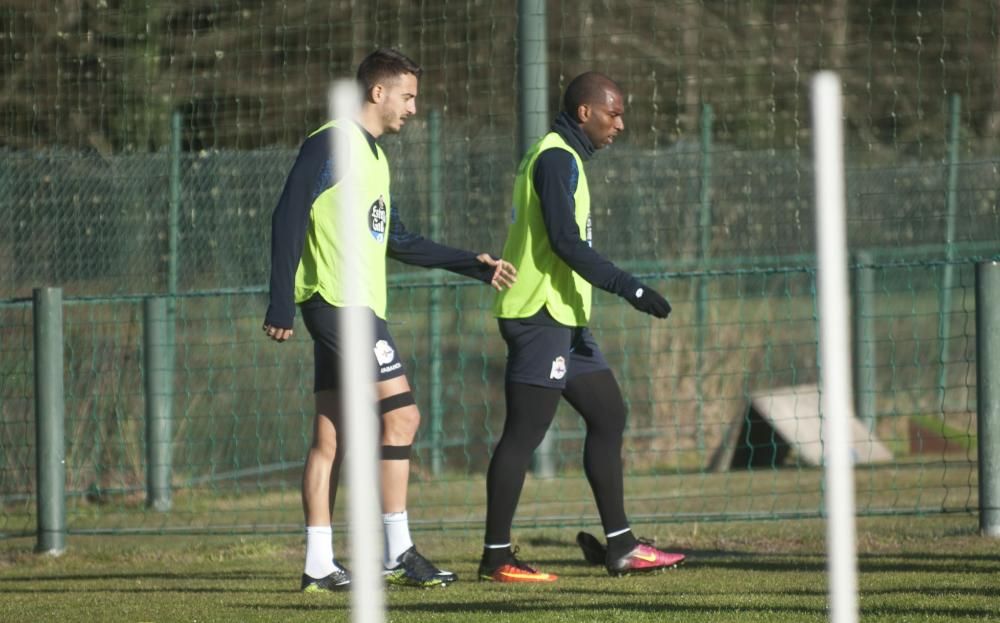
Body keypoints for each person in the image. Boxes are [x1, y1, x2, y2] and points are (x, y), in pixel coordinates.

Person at [263, 48, 516, 592]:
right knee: (402, 417)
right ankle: (397, 551)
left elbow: (397, 239)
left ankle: (318, 564)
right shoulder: (332, 142)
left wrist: (473, 264)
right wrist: (279, 300)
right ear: (378, 93)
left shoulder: (375, 158)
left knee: (331, 438)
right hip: (338, 304)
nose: (414, 108)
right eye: (409, 96)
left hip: (348, 307)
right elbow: (288, 214)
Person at [478, 72, 686, 583]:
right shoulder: (554, 158)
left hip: (567, 319)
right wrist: (629, 287)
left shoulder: (566, 160)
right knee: (523, 435)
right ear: (584, 113)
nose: (621, 123)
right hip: (538, 316)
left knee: (609, 414)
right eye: (613, 113)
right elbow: (566, 242)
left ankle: (621, 547)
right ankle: (496, 557)